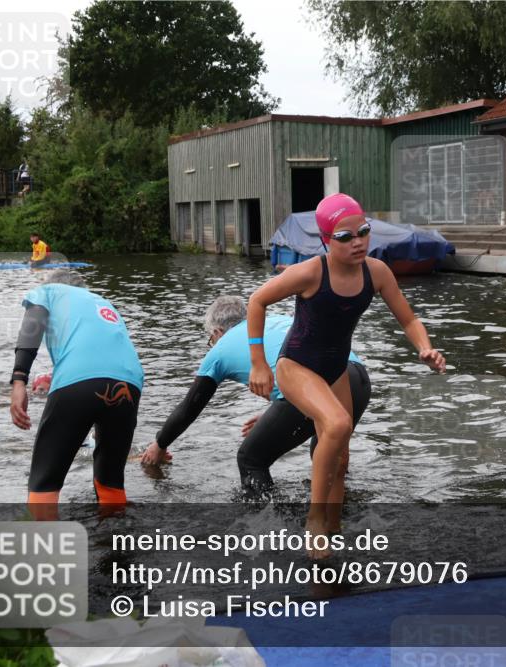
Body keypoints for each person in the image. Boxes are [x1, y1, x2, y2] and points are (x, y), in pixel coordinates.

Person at [246, 192, 445, 557]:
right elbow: (257, 301)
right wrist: (258, 363)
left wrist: (425, 348)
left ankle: (333, 530)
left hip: (335, 369)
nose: (358, 242)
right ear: (326, 240)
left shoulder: (377, 272)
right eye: (345, 236)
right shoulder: (309, 272)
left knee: (340, 459)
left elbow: (408, 319)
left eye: (363, 232)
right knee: (337, 424)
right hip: (296, 366)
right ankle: (314, 522)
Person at [139, 296, 371, 495]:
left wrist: (160, 444)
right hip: (357, 378)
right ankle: (341, 518)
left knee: (251, 459)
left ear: (217, 332)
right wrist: (276, 417)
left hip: (316, 386)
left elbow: (189, 408)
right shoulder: (274, 321)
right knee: (327, 461)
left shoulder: (219, 350)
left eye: (211, 339)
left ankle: (264, 524)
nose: (213, 344)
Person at [9, 269, 144, 507]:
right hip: (130, 381)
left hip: (79, 376)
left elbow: (32, 327)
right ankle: (114, 527)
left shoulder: (48, 292)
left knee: (44, 481)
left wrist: (19, 380)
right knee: (110, 481)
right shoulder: (102, 302)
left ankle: (41, 529)